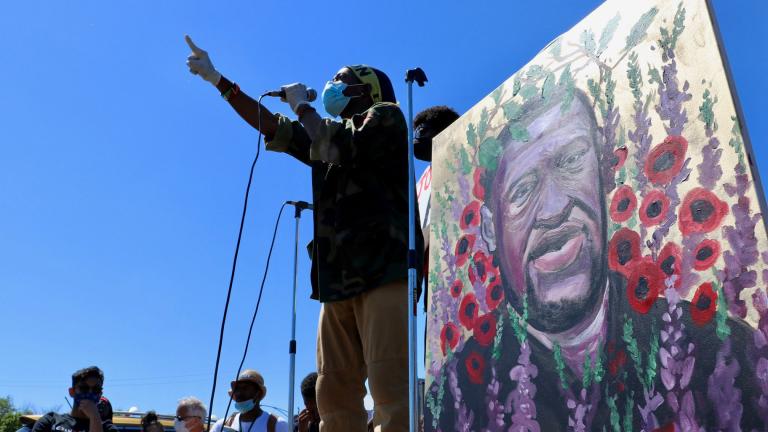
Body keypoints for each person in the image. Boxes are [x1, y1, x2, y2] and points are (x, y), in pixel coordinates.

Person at [426, 87, 761, 430]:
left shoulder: (725, 353)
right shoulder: (453, 400)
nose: (555, 209)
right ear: (490, 229)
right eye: (522, 190)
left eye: (571, 161)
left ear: (604, 170)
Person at [185, 36, 423, 432]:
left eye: (341, 78)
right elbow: (273, 126)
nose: (331, 83)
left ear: (366, 89)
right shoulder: (322, 135)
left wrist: (302, 106)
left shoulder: (387, 115)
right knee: (334, 389)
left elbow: (339, 146)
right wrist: (218, 81)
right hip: (337, 279)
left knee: (389, 382)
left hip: (384, 268)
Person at [31, 366, 118, 432]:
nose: (90, 393)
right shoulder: (50, 421)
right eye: (84, 388)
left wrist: (94, 417)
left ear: (100, 394)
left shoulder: (107, 428)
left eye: (96, 389)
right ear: (71, 392)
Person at [209, 370, 288, 432]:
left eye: (245, 388)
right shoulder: (221, 426)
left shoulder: (277, 425)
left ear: (258, 394)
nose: (239, 393)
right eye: (237, 389)